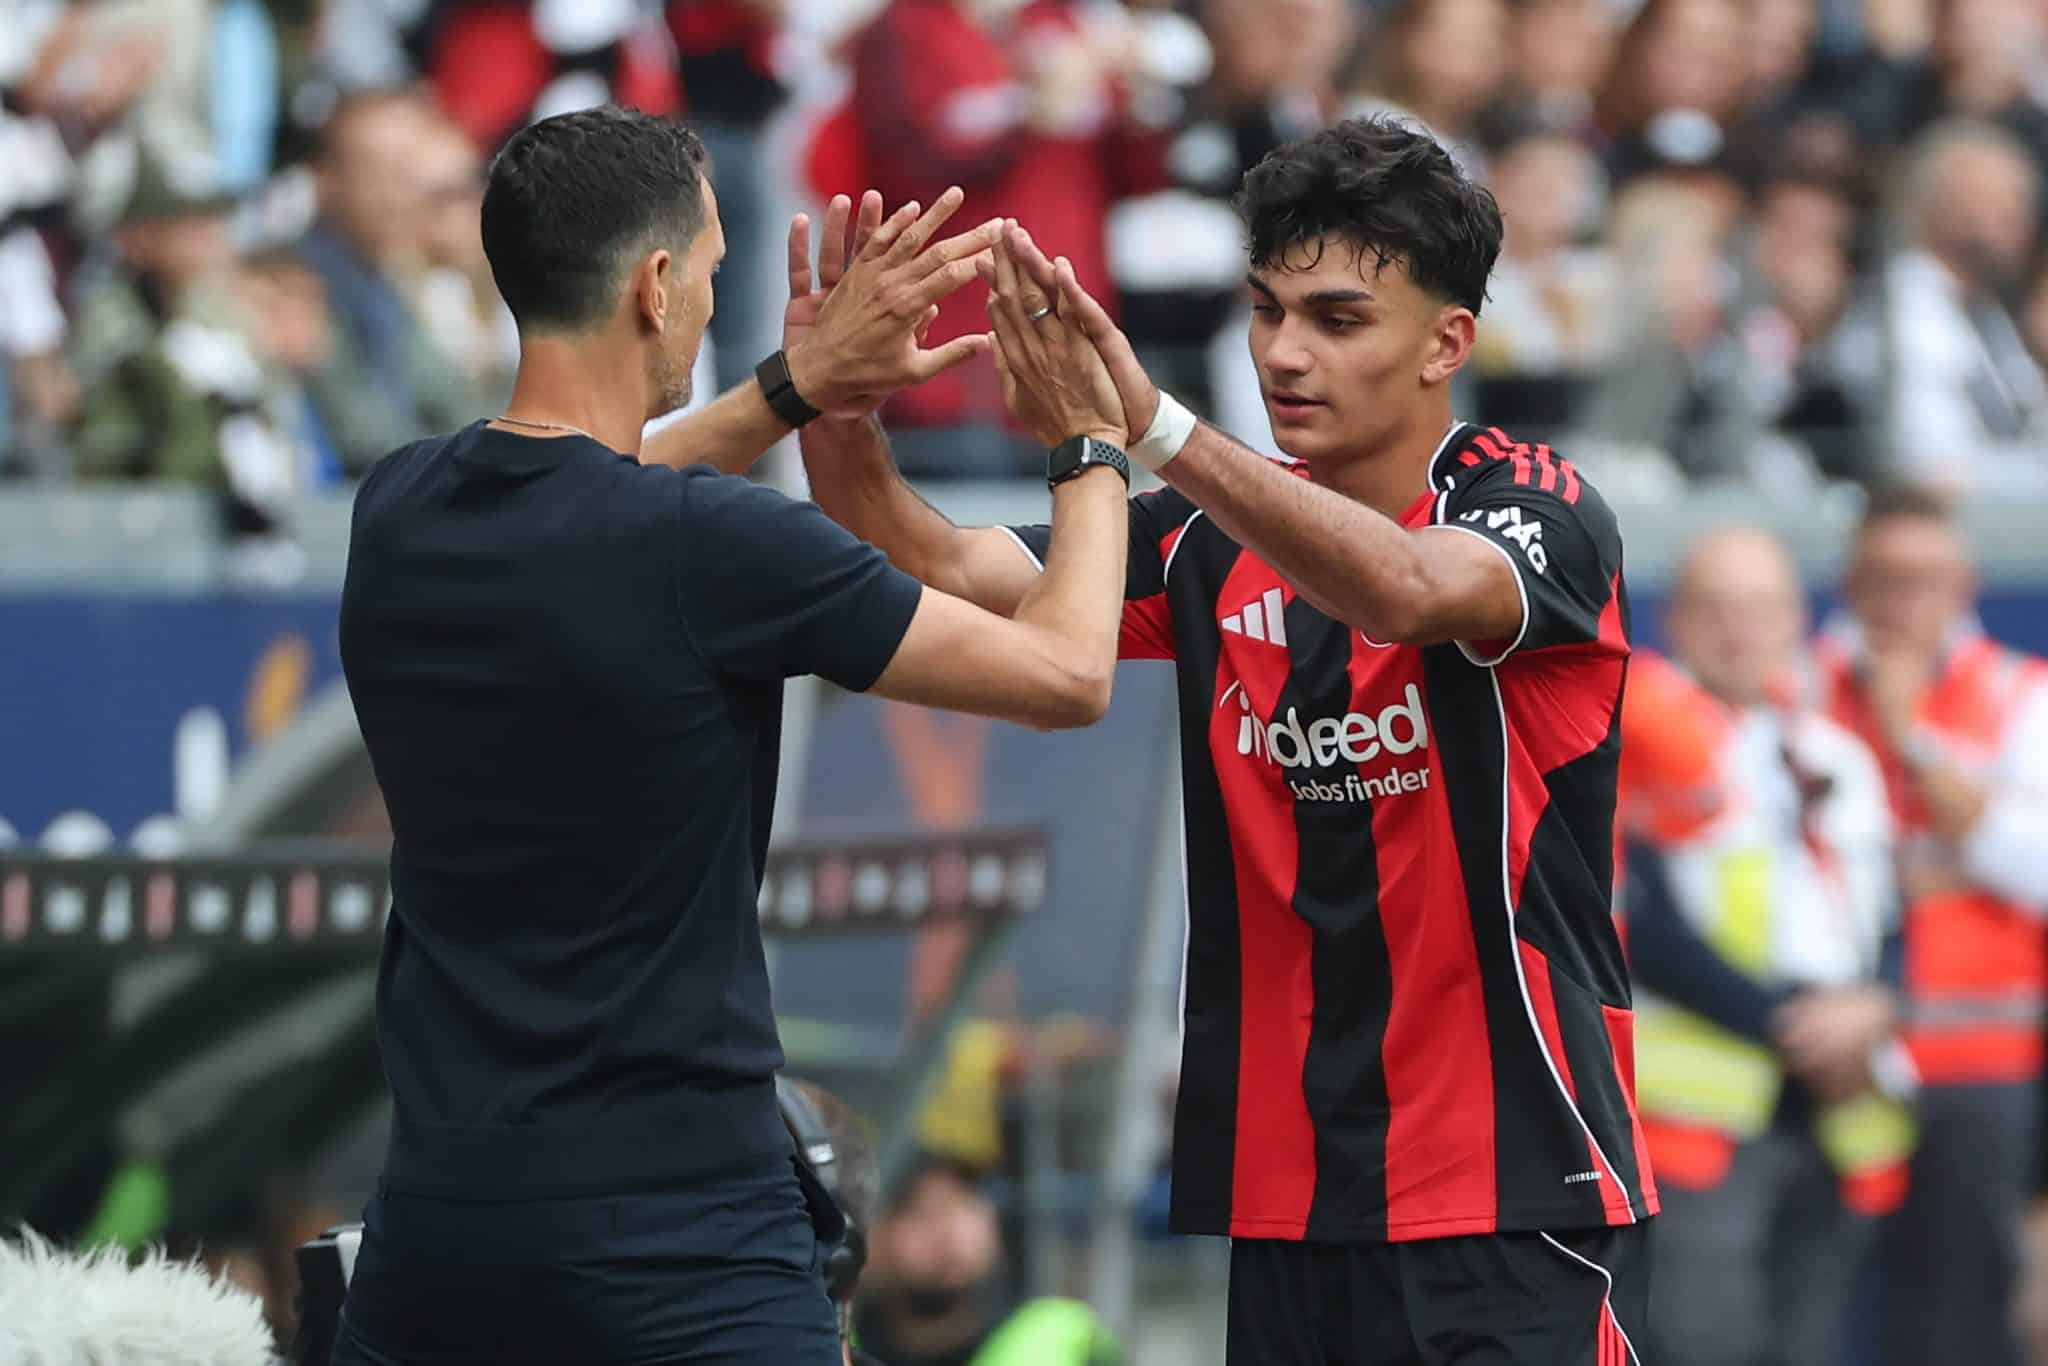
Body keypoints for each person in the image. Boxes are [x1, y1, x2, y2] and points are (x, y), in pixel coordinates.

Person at [791, 115, 1654, 1363]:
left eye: (1337, 320)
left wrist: (1151, 427)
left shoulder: (1534, 504)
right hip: (1285, 1201)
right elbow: (931, 566)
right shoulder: (1199, 538)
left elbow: (1404, 588)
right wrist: (833, 402)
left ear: (1445, 343)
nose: (1283, 353)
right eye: (1265, 311)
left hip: (1510, 1193)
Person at [331, 105, 1135, 1366]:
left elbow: (593, 482)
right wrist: (1088, 443)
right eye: (709, 271)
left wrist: (798, 388)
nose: (713, 300)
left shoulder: (401, 507)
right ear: (655, 287)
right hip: (683, 1235)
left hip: (441, 1226)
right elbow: (1069, 671)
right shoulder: (715, 546)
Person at [1627, 528, 1906, 1366]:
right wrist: (1798, 1025)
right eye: (1715, 607)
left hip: (1838, 1111)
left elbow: (1887, 918)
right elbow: (1639, 927)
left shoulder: (1836, 753)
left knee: (1810, 1344)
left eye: (1760, 607)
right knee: (1703, 1343)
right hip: (1701, 1120)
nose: (1739, 629)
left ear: (1795, 618)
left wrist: (1877, 1004)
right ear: (1674, 619)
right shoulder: (1638, 738)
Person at [1811, 483, 2048, 1366]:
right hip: (1830, 1060)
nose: (1902, 602)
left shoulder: (2021, 695)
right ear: (1851, 583)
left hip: (1976, 1064)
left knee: (1961, 1325)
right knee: (1813, 1318)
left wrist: (1912, 735)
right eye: (1883, 579)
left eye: (1924, 580)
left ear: (1964, 586)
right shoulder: (1800, 686)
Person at [853, 1154, 1119, 1366]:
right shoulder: (838, 1347)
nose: (949, 1234)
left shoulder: (1058, 1335)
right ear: (874, 1234)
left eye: (963, 1205)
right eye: (922, 1213)